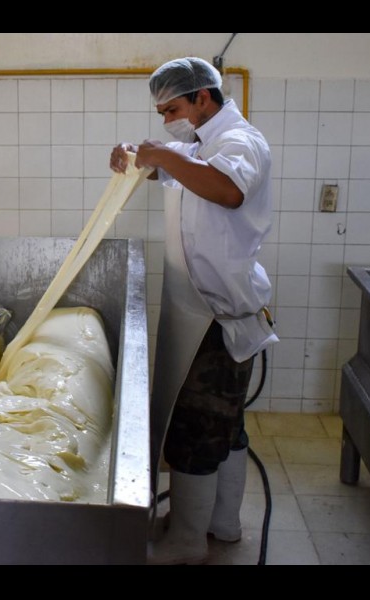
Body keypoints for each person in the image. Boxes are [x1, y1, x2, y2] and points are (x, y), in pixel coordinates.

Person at [110, 57, 278, 565]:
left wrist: (163, 153)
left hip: (219, 316)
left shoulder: (241, 142)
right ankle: (222, 525)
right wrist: (133, 154)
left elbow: (227, 189)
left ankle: (187, 540)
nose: (167, 121)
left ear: (203, 97)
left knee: (196, 432)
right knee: (226, 428)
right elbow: (172, 164)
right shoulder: (203, 145)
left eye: (172, 109)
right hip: (205, 310)